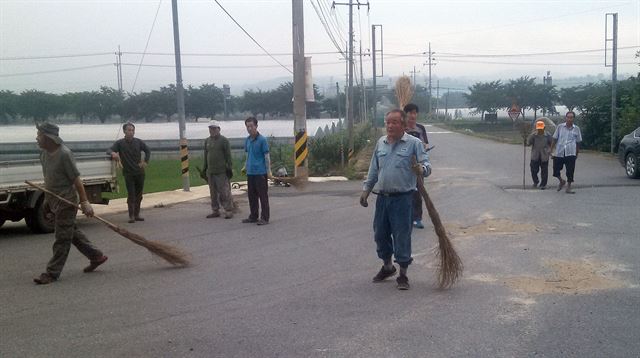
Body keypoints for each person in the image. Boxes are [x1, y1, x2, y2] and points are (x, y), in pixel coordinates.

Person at [359, 109, 432, 290]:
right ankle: (388, 266)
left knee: (402, 236)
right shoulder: (381, 143)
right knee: (380, 234)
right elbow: (373, 170)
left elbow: (427, 166)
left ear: (403, 124)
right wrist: (366, 190)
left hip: (403, 199)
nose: (390, 126)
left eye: (394, 122)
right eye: (388, 122)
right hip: (383, 198)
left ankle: (403, 274)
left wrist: (421, 169)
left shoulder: (414, 143)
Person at [33, 122, 108, 285]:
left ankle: (52, 272)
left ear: (48, 137)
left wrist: (85, 201)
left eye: (39, 135)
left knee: (61, 238)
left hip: (67, 202)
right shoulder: (44, 154)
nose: (37, 138)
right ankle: (96, 256)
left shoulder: (64, 154)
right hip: (53, 199)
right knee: (70, 232)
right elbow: (49, 180)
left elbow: (76, 180)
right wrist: (46, 201)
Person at [108, 122, 150, 223]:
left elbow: (147, 150)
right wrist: (113, 153)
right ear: (124, 131)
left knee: (139, 194)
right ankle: (131, 215)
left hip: (140, 173)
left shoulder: (139, 142)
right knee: (131, 194)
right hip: (128, 173)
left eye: (132, 130)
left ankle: (137, 214)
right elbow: (109, 150)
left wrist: (145, 162)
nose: (131, 132)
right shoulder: (120, 143)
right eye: (129, 130)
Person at [241, 117, 272, 225]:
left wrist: (268, 172)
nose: (249, 128)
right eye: (247, 126)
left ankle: (265, 218)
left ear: (256, 126)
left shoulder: (262, 140)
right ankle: (253, 216)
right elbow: (247, 154)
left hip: (260, 173)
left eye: (251, 126)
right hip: (250, 172)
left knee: (263, 196)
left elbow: (266, 156)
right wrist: (245, 166)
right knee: (252, 196)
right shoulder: (247, 140)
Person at [403, 103, 429, 229]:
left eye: (414, 113)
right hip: (403, 166)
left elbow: (426, 144)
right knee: (405, 193)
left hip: (417, 166)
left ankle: (417, 218)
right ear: (405, 114)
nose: (412, 115)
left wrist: (423, 147)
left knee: (418, 193)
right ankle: (405, 216)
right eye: (410, 113)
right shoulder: (402, 129)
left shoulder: (420, 128)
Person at [203, 120, 234, 219]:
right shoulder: (207, 141)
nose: (212, 130)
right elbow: (206, 156)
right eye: (210, 128)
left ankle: (228, 210)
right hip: (211, 171)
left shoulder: (224, 140)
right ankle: (215, 210)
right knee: (213, 193)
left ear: (218, 129)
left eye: (214, 128)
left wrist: (229, 168)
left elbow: (228, 156)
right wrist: (204, 169)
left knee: (224, 192)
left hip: (221, 171)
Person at [552, 111, 582, 194]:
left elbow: (578, 142)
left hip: (571, 152)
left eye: (571, 117)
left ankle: (568, 187)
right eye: (568, 117)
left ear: (573, 119)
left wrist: (577, 153)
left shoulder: (576, 129)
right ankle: (561, 181)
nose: (569, 119)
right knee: (555, 170)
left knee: (570, 170)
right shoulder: (560, 127)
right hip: (559, 151)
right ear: (566, 118)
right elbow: (554, 138)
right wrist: (551, 150)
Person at [528, 120, 553, 190]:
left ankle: (543, 184)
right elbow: (528, 143)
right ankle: (536, 181)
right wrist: (527, 139)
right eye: (538, 129)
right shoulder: (533, 135)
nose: (540, 130)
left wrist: (550, 151)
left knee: (544, 171)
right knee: (533, 170)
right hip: (535, 154)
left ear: (544, 128)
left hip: (544, 155)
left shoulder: (547, 135)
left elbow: (552, 143)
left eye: (541, 129)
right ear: (536, 128)